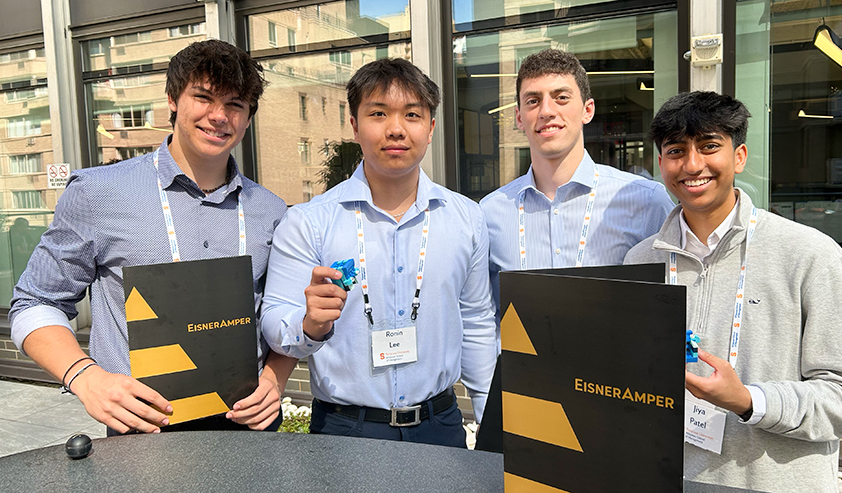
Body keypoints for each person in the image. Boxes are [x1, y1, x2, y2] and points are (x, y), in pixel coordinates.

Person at [9, 40, 295, 435]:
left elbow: (282, 315)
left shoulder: (270, 211)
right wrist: (85, 377)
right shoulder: (98, 193)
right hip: (145, 430)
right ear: (172, 101)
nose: (218, 116)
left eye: (234, 104)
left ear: (248, 118)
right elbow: (34, 303)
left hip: (248, 425)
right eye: (203, 97)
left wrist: (274, 380)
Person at [624, 91, 842, 492]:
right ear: (660, 163)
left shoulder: (810, 255)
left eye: (708, 146)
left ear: (739, 156)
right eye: (675, 151)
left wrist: (750, 400)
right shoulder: (639, 261)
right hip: (671, 477)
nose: (692, 165)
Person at [260, 58, 496, 447]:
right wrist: (308, 324)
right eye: (378, 113)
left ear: (431, 127)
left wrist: (493, 422)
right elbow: (274, 320)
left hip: (440, 426)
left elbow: (475, 322)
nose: (396, 129)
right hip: (344, 430)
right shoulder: (309, 221)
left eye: (412, 114)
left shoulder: (466, 218)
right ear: (354, 125)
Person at [481, 49, 674, 325]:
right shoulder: (489, 213)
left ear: (587, 110)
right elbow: (485, 318)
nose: (547, 111)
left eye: (561, 98)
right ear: (519, 117)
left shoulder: (646, 202)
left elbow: (669, 306)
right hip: (522, 367)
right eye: (533, 100)